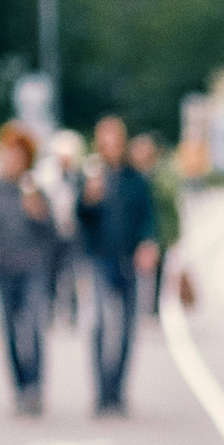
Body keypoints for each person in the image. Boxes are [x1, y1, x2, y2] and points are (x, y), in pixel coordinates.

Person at [77, 115, 158, 414]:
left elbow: (148, 216)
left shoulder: (135, 179)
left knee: (127, 328)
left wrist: (148, 242)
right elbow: (80, 218)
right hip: (99, 258)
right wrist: (88, 199)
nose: (110, 146)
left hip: (129, 259)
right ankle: (100, 391)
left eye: (114, 140)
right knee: (98, 324)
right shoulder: (90, 175)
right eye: (104, 141)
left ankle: (117, 391)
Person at [0, 121, 54, 416]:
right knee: (8, 332)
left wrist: (39, 213)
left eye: (18, 154)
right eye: (9, 153)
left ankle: (35, 387)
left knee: (32, 329)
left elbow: (53, 233)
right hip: (4, 269)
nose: (12, 159)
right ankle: (20, 388)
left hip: (33, 268)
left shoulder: (35, 190)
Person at [38, 129, 88, 329]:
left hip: (73, 234)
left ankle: (72, 313)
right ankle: (49, 311)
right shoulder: (48, 175)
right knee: (51, 274)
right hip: (52, 235)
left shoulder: (78, 177)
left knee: (72, 275)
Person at [130, 131, 180, 316]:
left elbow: (171, 200)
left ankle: (154, 308)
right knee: (137, 270)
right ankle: (140, 306)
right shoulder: (130, 173)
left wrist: (174, 235)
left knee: (158, 270)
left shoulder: (161, 172)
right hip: (137, 231)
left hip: (161, 230)